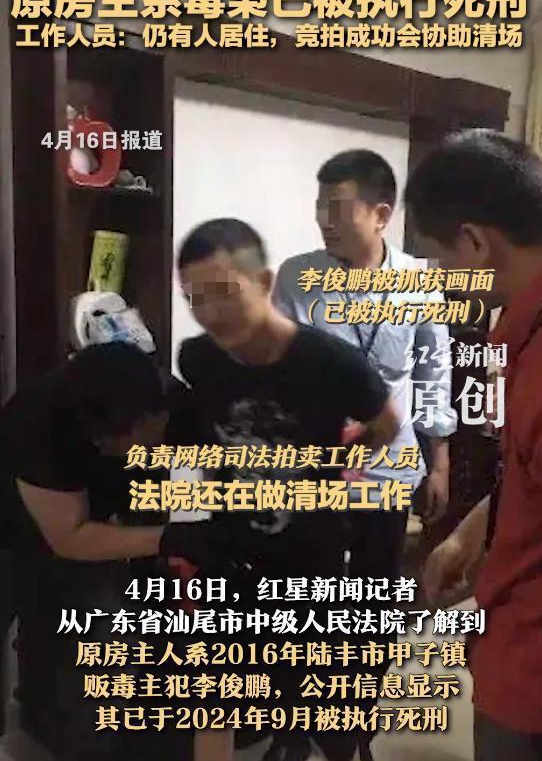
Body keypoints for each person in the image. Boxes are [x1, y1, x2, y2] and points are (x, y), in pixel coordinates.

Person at [176, 218, 400, 761]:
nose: (210, 313)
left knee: (322, 687)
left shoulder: (331, 363)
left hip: (311, 552)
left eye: (224, 292)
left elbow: (387, 425)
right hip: (230, 548)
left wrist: (337, 463)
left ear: (265, 281)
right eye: (194, 298)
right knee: (223, 685)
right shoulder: (198, 358)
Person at [273, 150, 457, 757]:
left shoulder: (418, 282)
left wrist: (440, 462)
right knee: (304, 595)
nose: (324, 219)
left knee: (374, 599)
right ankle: (295, 725)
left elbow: (433, 375)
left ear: (381, 214)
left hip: (388, 467)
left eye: (338, 207)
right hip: (316, 468)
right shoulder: (296, 277)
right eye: (319, 205)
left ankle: (353, 728)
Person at [0, 342, 234, 761]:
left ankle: (84, 737)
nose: (107, 447)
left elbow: (217, 470)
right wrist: (170, 538)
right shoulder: (37, 423)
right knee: (45, 606)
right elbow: (68, 538)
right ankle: (50, 722)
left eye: (119, 441)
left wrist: (217, 534)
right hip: (16, 522)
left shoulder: (177, 407)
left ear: (156, 417)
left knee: (107, 625)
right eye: (101, 442)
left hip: (99, 514)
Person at [404, 129, 542, 761]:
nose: (439, 280)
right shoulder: (518, 331)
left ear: (476, 243)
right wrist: (467, 537)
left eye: (440, 260)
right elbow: (523, 475)